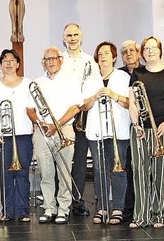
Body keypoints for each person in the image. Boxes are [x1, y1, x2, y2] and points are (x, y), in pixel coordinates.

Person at [127, 36, 164, 229]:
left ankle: (159, 215)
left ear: (160, 50)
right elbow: (133, 102)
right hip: (142, 130)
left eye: (153, 48)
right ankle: (141, 216)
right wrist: (136, 125)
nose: (150, 51)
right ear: (142, 53)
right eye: (146, 49)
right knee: (140, 173)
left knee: (162, 173)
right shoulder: (137, 74)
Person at [27, 46, 81, 224]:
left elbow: (75, 107)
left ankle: (63, 209)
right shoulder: (37, 83)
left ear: (61, 60)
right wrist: (39, 123)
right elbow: (30, 109)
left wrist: (56, 125)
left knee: (65, 173)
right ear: (43, 62)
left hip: (64, 130)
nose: (50, 62)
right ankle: (49, 208)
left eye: (54, 58)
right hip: (43, 131)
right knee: (46, 173)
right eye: (47, 59)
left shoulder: (71, 80)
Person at [81, 42, 131, 225]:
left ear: (114, 57)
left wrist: (113, 95)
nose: (103, 57)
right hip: (96, 132)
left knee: (118, 170)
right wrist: (95, 96)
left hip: (119, 131)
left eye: (106, 53)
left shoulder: (123, 77)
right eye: (100, 54)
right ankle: (101, 207)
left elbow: (129, 103)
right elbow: (84, 106)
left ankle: (118, 208)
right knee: (98, 170)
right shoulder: (90, 79)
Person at [0, 49, 34, 222]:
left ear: (18, 63)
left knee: (22, 174)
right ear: (1, 64)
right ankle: (6, 210)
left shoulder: (28, 83)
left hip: (23, 135)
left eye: (12, 60)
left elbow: (31, 110)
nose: (8, 63)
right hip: (2, 136)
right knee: (5, 175)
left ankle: (23, 211)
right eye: (4, 60)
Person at [61, 23, 100, 217]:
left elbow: (94, 87)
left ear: (81, 36)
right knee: (62, 159)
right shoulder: (58, 60)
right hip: (65, 117)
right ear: (64, 38)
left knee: (80, 161)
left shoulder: (90, 62)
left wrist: (86, 103)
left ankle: (76, 200)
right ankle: (62, 201)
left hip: (84, 116)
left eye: (76, 34)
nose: (73, 38)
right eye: (69, 35)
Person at [119, 39, 143, 220]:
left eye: (132, 51)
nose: (128, 54)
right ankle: (129, 206)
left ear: (139, 53)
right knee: (129, 168)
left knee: (143, 168)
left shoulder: (146, 71)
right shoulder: (118, 74)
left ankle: (144, 204)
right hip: (123, 127)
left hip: (143, 126)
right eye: (125, 52)